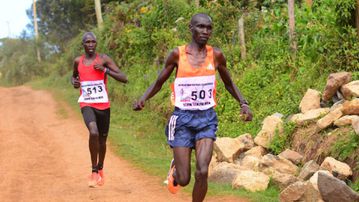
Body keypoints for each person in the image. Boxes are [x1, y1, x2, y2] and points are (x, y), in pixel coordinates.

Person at [133, 13, 253, 202]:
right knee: (184, 179)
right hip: (182, 119)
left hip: (206, 119)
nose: (205, 31)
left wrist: (243, 103)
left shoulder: (217, 55)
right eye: (200, 27)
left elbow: (229, 83)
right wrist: (143, 98)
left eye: (209, 28)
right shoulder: (177, 55)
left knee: (203, 171)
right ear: (191, 28)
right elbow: (159, 82)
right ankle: (176, 169)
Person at [71, 32, 128, 187]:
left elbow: (124, 77)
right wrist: (74, 82)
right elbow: (74, 77)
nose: (90, 45)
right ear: (82, 45)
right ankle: (94, 170)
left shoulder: (103, 59)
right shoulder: (78, 61)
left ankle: (101, 168)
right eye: (87, 42)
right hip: (87, 103)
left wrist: (105, 70)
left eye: (93, 42)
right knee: (93, 132)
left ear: (96, 44)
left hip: (103, 105)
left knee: (102, 141)